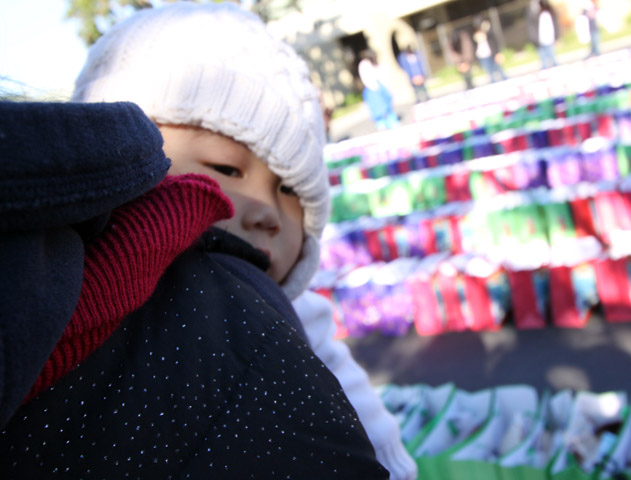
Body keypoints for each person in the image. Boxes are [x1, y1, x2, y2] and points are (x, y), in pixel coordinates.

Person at [0, 3, 407, 478]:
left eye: (291, 190)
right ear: (122, 161)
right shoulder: (68, 285)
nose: (267, 211)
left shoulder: (302, 317)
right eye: (226, 168)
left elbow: (369, 427)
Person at [358, 49, 401, 130]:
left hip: (382, 87)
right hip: (372, 89)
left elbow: (383, 75)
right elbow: (365, 78)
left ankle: (392, 122)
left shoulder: (376, 64)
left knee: (388, 107)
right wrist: (374, 86)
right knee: (378, 109)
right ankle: (381, 124)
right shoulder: (364, 64)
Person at [473, 19, 508, 83]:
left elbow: (494, 41)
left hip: (492, 53)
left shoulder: (488, 32)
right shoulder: (475, 35)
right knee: (489, 71)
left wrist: (497, 52)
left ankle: (506, 80)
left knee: (499, 68)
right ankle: (493, 82)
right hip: (482, 56)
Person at [535, 0, 560, 69]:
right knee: (544, 59)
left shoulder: (545, 14)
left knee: (551, 57)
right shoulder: (540, 15)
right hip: (542, 39)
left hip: (546, 38)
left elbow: (549, 27)